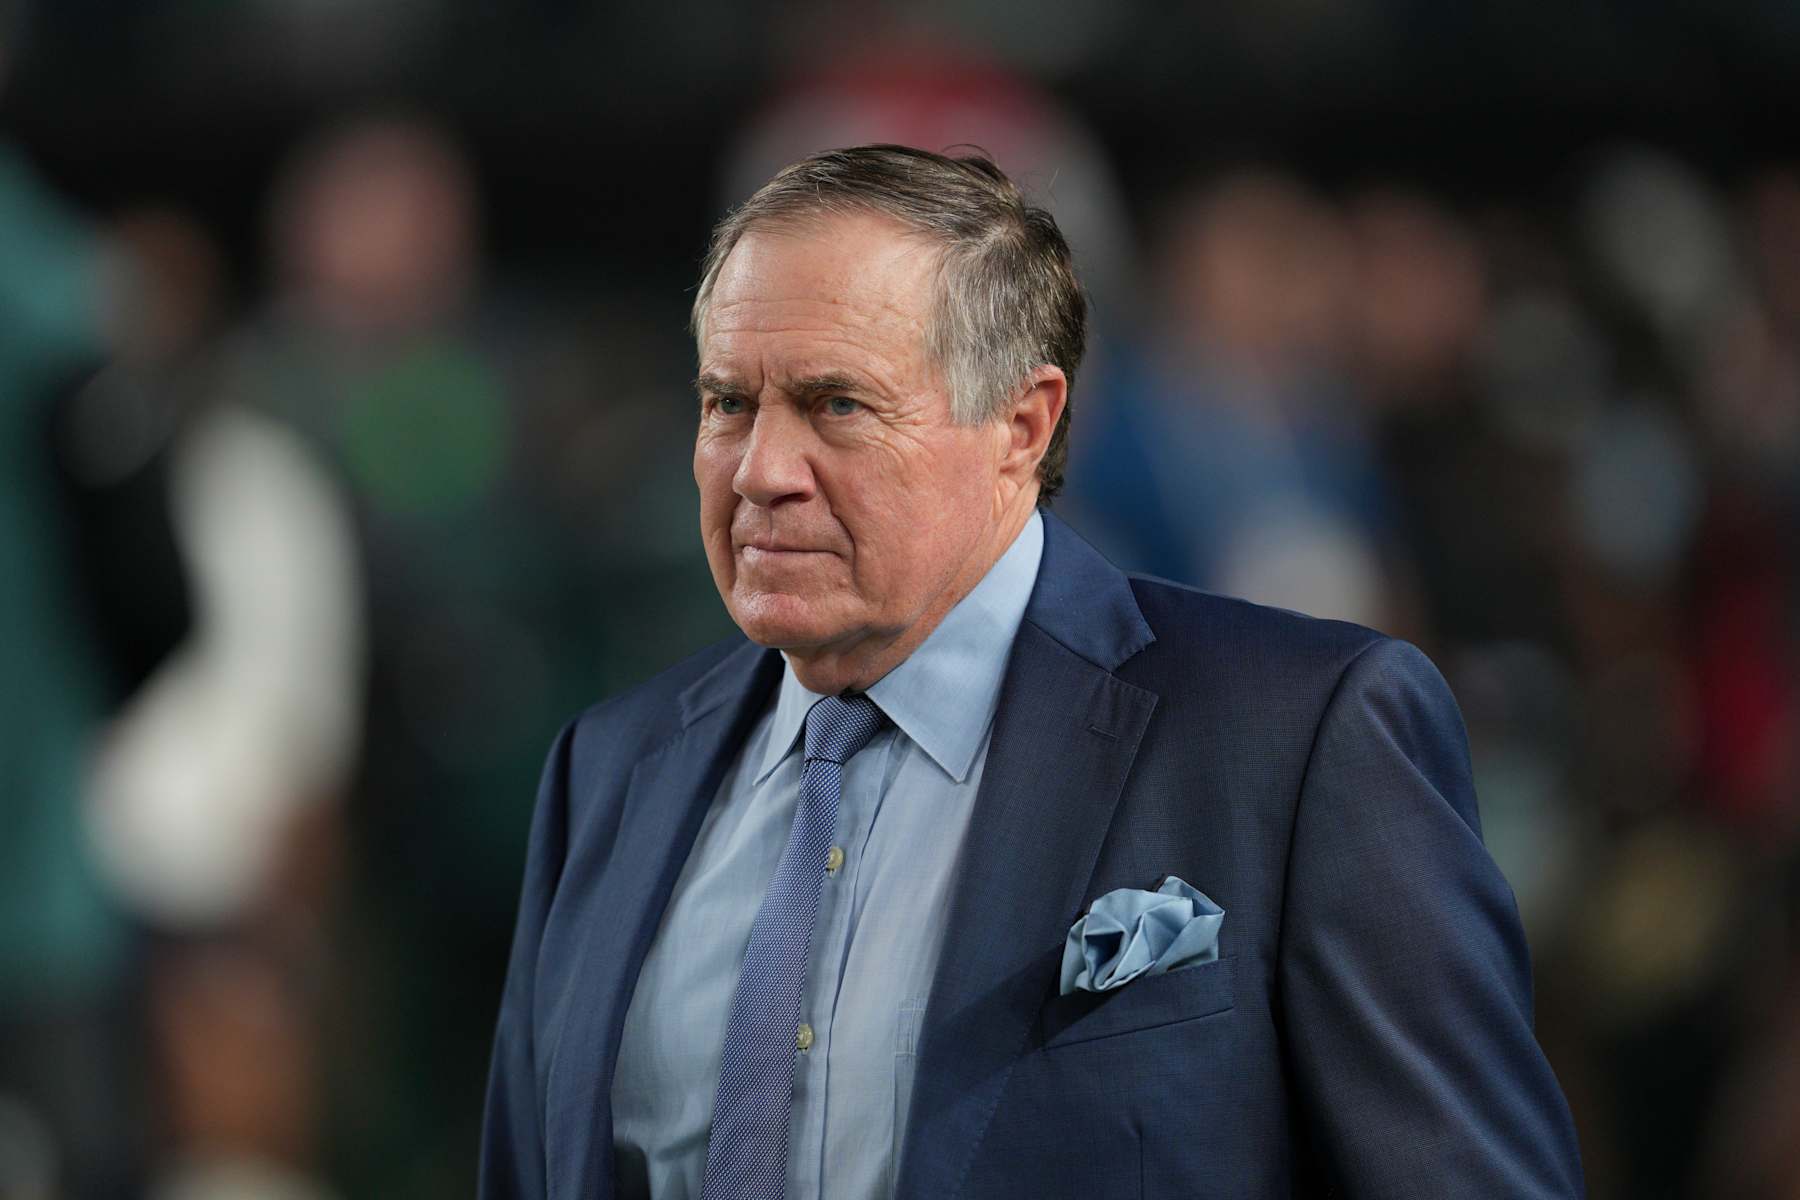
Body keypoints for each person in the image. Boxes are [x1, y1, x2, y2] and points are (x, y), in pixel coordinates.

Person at [480, 144, 1584, 1199]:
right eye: (728, 402)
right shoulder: (607, 773)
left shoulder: (1297, 738)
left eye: (837, 405)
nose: (762, 471)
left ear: (1022, 423)